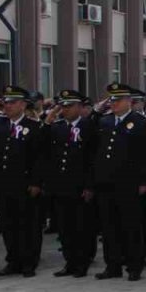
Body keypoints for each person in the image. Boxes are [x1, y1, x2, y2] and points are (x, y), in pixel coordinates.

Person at [89, 83, 146, 281]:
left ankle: (134, 266)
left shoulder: (141, 122)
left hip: (129, 183)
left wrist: (144, 181)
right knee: (109, 226)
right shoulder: (104, 121)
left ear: (129, 101)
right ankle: (113, 265)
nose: (113, 103)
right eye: (112, 100)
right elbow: (96, 152)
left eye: (118, 100)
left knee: (131, 226)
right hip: (106, 182)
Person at [0, 86, 46, 277]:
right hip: (4, 184)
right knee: (8, 226)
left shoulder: (34, 128)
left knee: (28, 226)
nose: (8, 106)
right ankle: (13, 261)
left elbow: (40, 159)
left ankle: (29, 262)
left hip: (25, 185)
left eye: (12, 102)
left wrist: (36, 183)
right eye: (6, 102)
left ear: (23, 104)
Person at [42, 90, 97, 277]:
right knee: (65, 229)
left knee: (82, 227)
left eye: (69, 105)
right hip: (61, 185)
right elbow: (48, 155)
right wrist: (49, 118)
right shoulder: (57, 127)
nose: (65, 109)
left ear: (80, 107)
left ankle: (82, 263)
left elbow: (92, 159)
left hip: (80, 186)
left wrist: (89, 186)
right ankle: (70, 262)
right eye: (63, 106)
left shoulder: (89, 126)